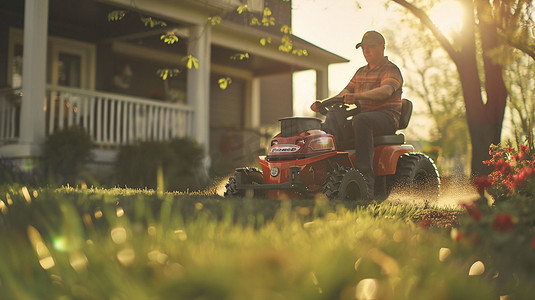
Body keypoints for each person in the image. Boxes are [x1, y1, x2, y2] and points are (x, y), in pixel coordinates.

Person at [311, 30, 403, 199]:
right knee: (333, 118)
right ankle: (327, 174)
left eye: (370, 47)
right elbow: (344, 93)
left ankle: (365, 181)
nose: (366, 51)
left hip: (386, 118)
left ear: (382, 47)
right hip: (362, 120)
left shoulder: (391, 70)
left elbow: (385, 91)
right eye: (363, 48)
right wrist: (323, 103)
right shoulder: (361, 72)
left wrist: (357, 97)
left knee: (361, 120)